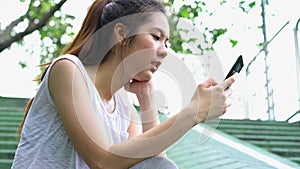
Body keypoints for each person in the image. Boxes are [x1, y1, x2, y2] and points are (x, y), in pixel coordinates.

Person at [12, 0, 237, 168]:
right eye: (156, 37)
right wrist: (193, 113)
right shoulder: (68, 70)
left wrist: (146, 101)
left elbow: (153, 165)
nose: (165, 50)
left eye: (166, 42)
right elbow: (103, 161)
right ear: (121, 33)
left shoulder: (123, 105)